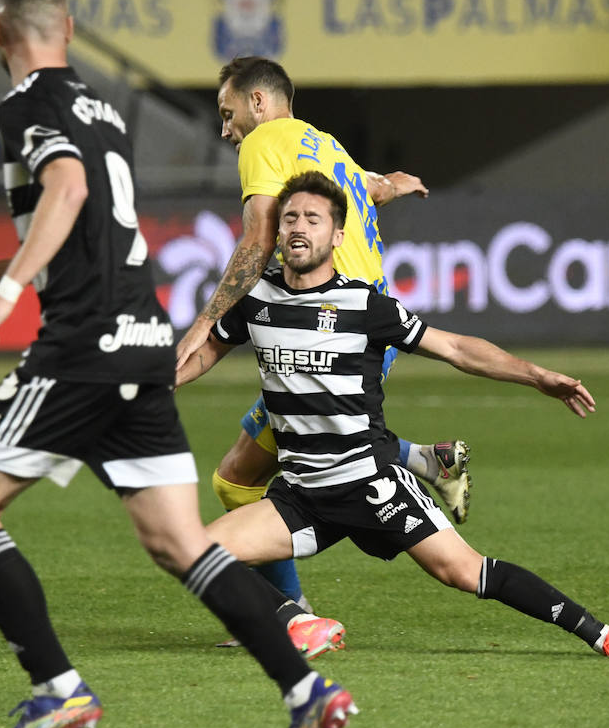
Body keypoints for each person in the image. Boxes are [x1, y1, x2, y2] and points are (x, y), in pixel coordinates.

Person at [0, 0, 354, 728]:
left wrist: (0, 296)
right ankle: (306, 692)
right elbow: (86, 227)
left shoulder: (26, 106)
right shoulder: (100, 107)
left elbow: (67, 192)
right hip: (142, 339)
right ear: (68, 31)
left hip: (81, 348)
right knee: (180, 543)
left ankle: (58, 688)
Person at [177, 172, 609, 662]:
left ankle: (603, 635)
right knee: (193, 551)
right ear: (277, 231)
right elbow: (204, 352)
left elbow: (454, 347)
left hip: (369, 481)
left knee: (464, 572)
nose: (299, 227)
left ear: (337, 236)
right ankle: (300, 622)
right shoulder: (256, 299)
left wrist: (535, 375)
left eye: (313, 219)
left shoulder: (364, 305)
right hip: (301, 493)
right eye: (290, 218)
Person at [173, 55, 472, 618]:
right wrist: (391, 184)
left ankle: (292, 616)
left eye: (227, 111)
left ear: (258, 103)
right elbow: (366, 187)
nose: (225, 127)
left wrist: (204, 321)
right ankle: (429, 463)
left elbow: (260, 238)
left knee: (238, 480)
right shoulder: (323, 143)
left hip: (328, 328)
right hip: (362, 328)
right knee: (244, 475)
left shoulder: (263, 142)